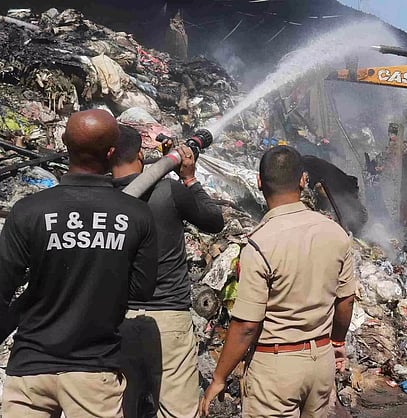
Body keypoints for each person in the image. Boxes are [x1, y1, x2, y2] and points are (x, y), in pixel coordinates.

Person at [0, 109, 158, 417]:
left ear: (65, 143)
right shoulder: (137, 214)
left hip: (30, 369)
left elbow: (3, 286)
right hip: (94, 372)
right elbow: (142, 289)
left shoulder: (28, 210)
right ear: (111, 152)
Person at [199, 145, 356, 417]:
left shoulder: (260, 244)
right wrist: (338, 343)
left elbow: (247, 325)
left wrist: (219, 377)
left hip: (276, 368)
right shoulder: (336, 233)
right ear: (303, 180)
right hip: (321, 362)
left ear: (259, 182)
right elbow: (346, 300)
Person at [111, 125, 224, 418]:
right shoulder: (167, 191)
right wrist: (189, 178)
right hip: (168, 318)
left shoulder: (99, 198)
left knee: (122, 408)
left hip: (116, 321)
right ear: (140, 154)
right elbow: (214, 220)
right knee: (177, 410)